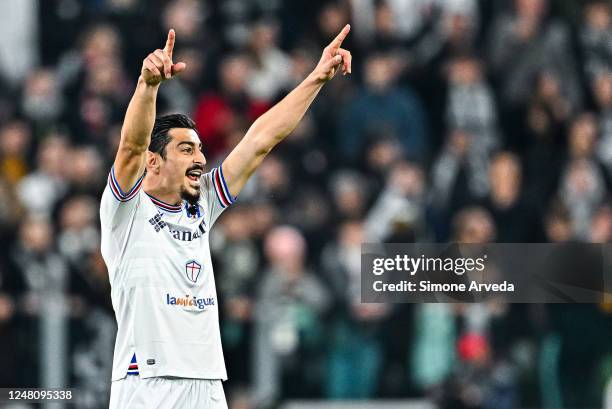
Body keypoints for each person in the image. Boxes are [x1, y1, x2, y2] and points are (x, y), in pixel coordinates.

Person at [100, 26, 352, 408]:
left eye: (200, 149)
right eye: (186, 149)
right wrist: (147, 86)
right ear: (154, 161)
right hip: (148, 381)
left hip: (207, 380)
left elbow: (260, 139)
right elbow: (132, 145)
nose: (200, 159)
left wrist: (316, 78)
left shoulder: (201, 203)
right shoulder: (125, 209)